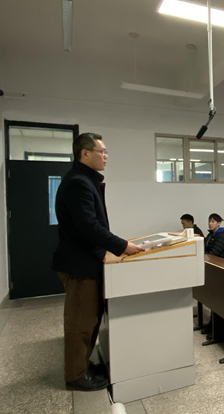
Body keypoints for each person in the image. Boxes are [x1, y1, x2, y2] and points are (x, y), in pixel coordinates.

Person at [53, 132, 142, 392]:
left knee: (90, 319)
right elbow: (88, 226)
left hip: (86, 261)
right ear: (85, 153)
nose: (106, 156)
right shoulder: (78, 182)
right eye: (101, 151)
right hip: (79, 264)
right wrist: (122, 246)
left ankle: (82, 365)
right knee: (81, 323)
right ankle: (75, 375)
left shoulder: (85, 179)